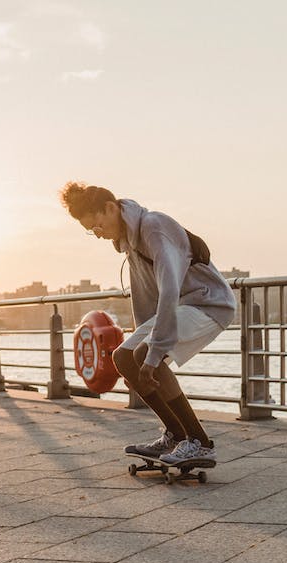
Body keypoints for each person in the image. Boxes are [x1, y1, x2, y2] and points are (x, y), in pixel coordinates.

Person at [60, 182, 237, 464]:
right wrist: (138, 356)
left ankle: (200, 443)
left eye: (97, 225)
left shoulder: (154, 227)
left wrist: (152, 354)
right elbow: (146, 303)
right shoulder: (131, 245)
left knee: (145, 354)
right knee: (124, 357)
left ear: (110, 208)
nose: (99, 234)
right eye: (92, 231)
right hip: (182, 305)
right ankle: (176, 435)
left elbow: (169, 290)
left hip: (209, 303)